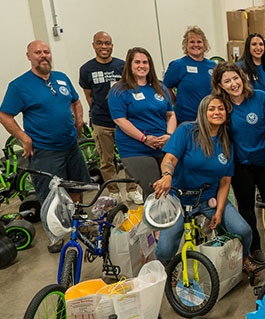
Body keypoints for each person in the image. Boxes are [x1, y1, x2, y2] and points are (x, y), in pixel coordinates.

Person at [0, 41, 91, 252]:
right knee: (51, 195)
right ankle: (56, 236)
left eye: (46, 52)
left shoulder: (61, 78)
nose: (43, 55)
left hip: (71, 146)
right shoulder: (19, 86)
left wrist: (79, 122)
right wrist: (24, 137)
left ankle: (78, 224)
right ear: (29, 56)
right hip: (44, 150)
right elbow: (5, 115)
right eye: (38, 52)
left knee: (76, 187)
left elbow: (76, 101)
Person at [153, 95, 252, 265]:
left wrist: (219, 211)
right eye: (211, 108)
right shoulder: (187, 130)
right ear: (202, 111)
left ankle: (244, 260)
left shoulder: (227, 142)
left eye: (221, 109)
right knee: (165, 249)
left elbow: (225, 182)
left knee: (243, 230)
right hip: (178, 196)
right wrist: (167, 176)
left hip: (207, 198)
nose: (217, 112)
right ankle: (167, 269)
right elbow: (170, 158)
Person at [212, 62, 265, 264]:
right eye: (227, 81)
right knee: (246, 208)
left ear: (242, 77)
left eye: (235, 78)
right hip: (240, 166)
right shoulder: (222, 107)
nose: (234, 84)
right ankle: (254, 247)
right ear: (220, 85)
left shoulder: (261, 98)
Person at [78, 31, 139, 203]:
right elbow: (89, 95)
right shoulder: (86, 69)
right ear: (93, 45)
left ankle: (132, 189)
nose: (104, 47)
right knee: (106, 160)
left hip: (125, 121)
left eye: (107, 43)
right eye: (100, 43)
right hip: (101, 122)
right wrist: (100, 111)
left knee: (129, 157)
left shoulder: (122, 66)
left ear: (112, 46)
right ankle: (114, 191)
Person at [108, 47, 177, 198]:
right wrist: (144, 139)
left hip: (163, 146)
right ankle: (153, 221)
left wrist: (169, 136)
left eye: (145, 62)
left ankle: (170, 220)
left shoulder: (160, 87)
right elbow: (120, 120)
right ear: (130, 65)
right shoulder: (119, 90)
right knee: (154, 190)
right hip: (135, 149)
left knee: (172, 188)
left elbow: (170, 114)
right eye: (137, 62)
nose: (142, 65)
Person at [163, 26, 216, 124]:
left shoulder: (213, 66)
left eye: (199, 42)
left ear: (204, 45)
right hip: (186, 120)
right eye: (192, 42)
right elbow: (165, 88)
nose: (196, 45)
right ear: (186, 45)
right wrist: (176, 102)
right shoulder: (178, 65)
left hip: (209, 119)